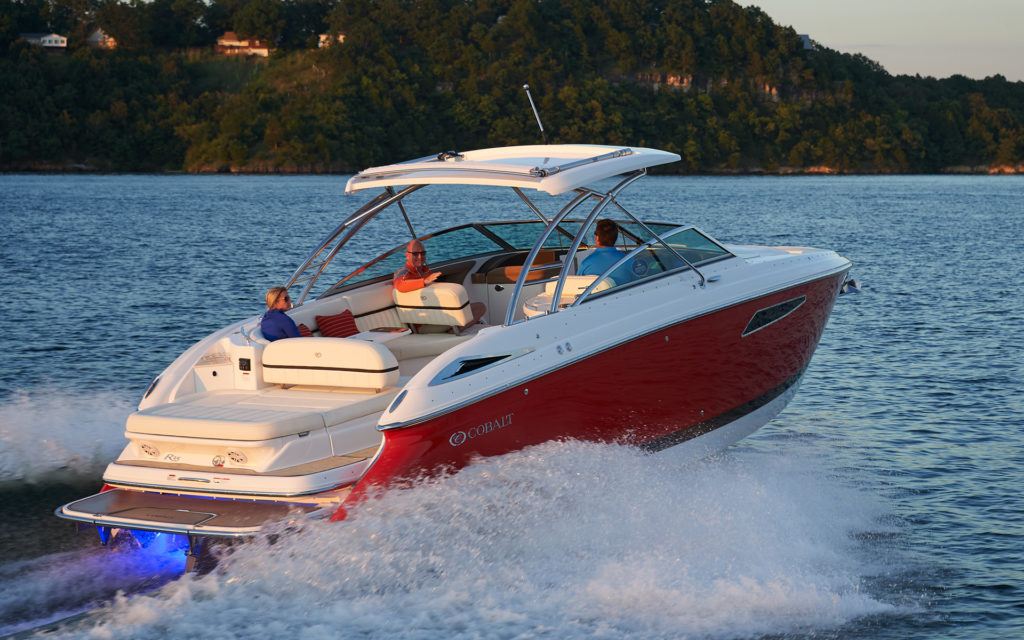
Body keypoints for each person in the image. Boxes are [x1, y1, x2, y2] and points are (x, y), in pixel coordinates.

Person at [393, 239, 486, 330]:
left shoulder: (424, 270)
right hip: (424, 323)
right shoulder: (404, 272)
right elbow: (400, 285)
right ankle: (454, 332)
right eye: (415, 254)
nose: (420, 257)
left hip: (437, 314)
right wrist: (424, 281)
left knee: (479, 307)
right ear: (407, 255)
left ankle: (461, 327)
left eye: (422, 253)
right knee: (475, 310)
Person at [578, 219, 635, 285]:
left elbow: (578, 286)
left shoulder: (585, 264)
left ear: (597, 237)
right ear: (615, 238)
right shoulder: (629, 261)